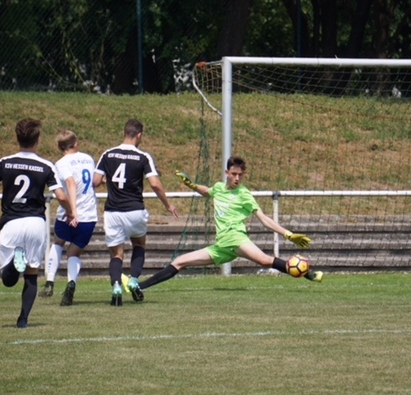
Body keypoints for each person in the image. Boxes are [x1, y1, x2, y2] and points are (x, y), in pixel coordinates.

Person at [127, 156, 323, 302]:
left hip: (236, 238)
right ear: (227, 172)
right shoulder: (219, 188)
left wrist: (288, 234)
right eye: (234, 174)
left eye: (240, 175)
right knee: (179, 261)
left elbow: (263, 219)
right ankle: (139, 287)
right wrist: (191, 185)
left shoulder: (244, 194)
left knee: (264, 260)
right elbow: (207, 191)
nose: (237, 178)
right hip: (221, 246)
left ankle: (308, 273)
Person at [0, 118, 75, 328]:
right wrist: (70, 212)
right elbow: (61, 196)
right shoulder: (46, 165)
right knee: (31, 274)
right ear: (38, 140)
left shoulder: (5, 162)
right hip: (36, 223)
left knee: (8, 280)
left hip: (11, 222)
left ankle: (14, 262)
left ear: (17, 138)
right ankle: (23, 320)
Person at [93, 118, 179, 306]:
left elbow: (95, 181)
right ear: (139, 135)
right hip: (135, 210)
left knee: (116, 254)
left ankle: (116, 286)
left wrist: (108, 180)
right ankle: (133, 280)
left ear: (124, 133)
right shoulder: (143, 156)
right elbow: (155, 184)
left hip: (113, 211)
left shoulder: (108, 154)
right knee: (139, 244)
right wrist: (167, 204)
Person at [38, 130, 98, 306]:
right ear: (76, 143)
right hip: (89, 215)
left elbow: (70, 183)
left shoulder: (61, 163)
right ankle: (71, 284)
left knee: (58, 242)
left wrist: (73, 211)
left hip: (69, 213)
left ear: (59, 147)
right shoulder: (88, 159)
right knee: (74, 252)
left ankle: (50, 282)